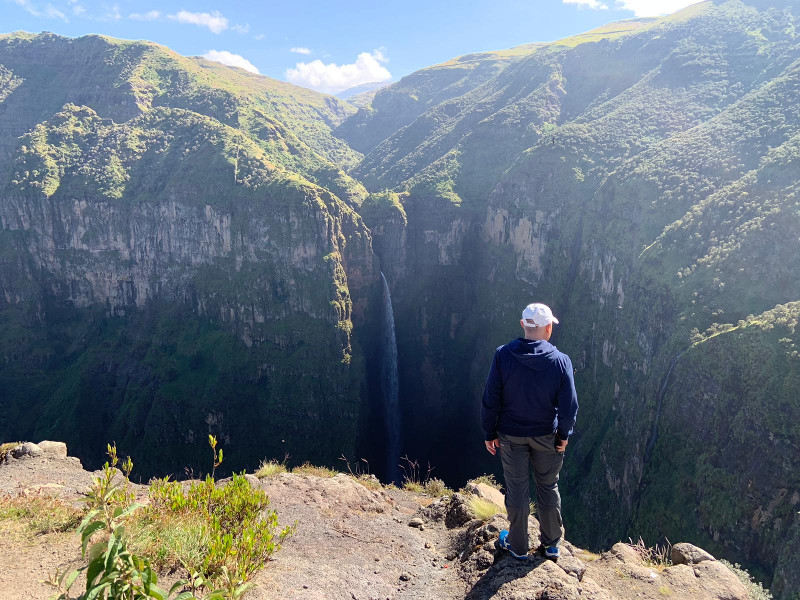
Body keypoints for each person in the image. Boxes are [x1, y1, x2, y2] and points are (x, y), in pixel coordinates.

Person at [481, 303, 578, 561]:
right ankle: (551, 545)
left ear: (523, 325)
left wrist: (489, 432)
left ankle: (518, 547)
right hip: (548, 436)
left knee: (517, 489)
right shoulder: (560, 361)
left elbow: (491, 399)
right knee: (547, 486)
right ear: (548, 329)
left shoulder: (502, 356)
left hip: (511, 436)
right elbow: (569, 406)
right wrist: (564, 435)